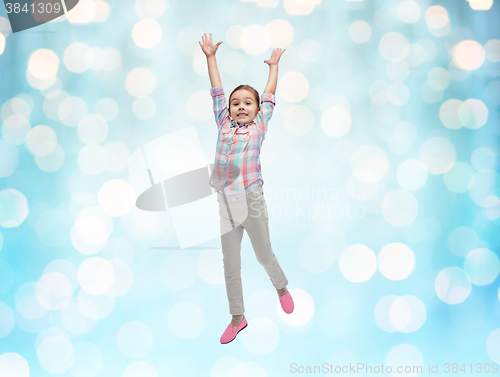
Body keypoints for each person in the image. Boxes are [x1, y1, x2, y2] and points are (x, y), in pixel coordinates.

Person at [199, 33, 294, 345]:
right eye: (235, 103)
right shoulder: (223, 124)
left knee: (264, 255)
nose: (241, 107)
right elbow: (216, 91)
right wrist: (211, 57)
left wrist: (274, 67)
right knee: (231, 265)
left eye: (248, 103)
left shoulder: (260, 126)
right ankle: (238, 318)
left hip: (251, 201)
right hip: (225, 203)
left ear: (257, 110)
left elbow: (269, 94)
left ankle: (280, 287)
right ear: (228, 110)